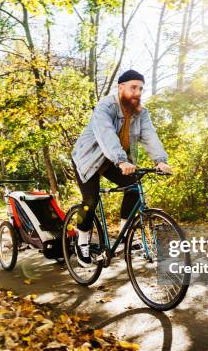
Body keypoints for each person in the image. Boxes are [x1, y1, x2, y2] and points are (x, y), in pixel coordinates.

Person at [71, 69, 172, 264]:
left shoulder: (141, 113)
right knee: (90, 200)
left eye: (141, 88)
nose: (137, 92)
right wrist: (120, 160)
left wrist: (160, 160)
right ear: (120, 87)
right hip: (87, 159)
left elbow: (149, 135)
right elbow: (106, 133)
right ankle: (81, 241)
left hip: (112, 161)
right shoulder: (105, 107)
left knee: (134, 186)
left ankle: (126, 235)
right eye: (133, 87)